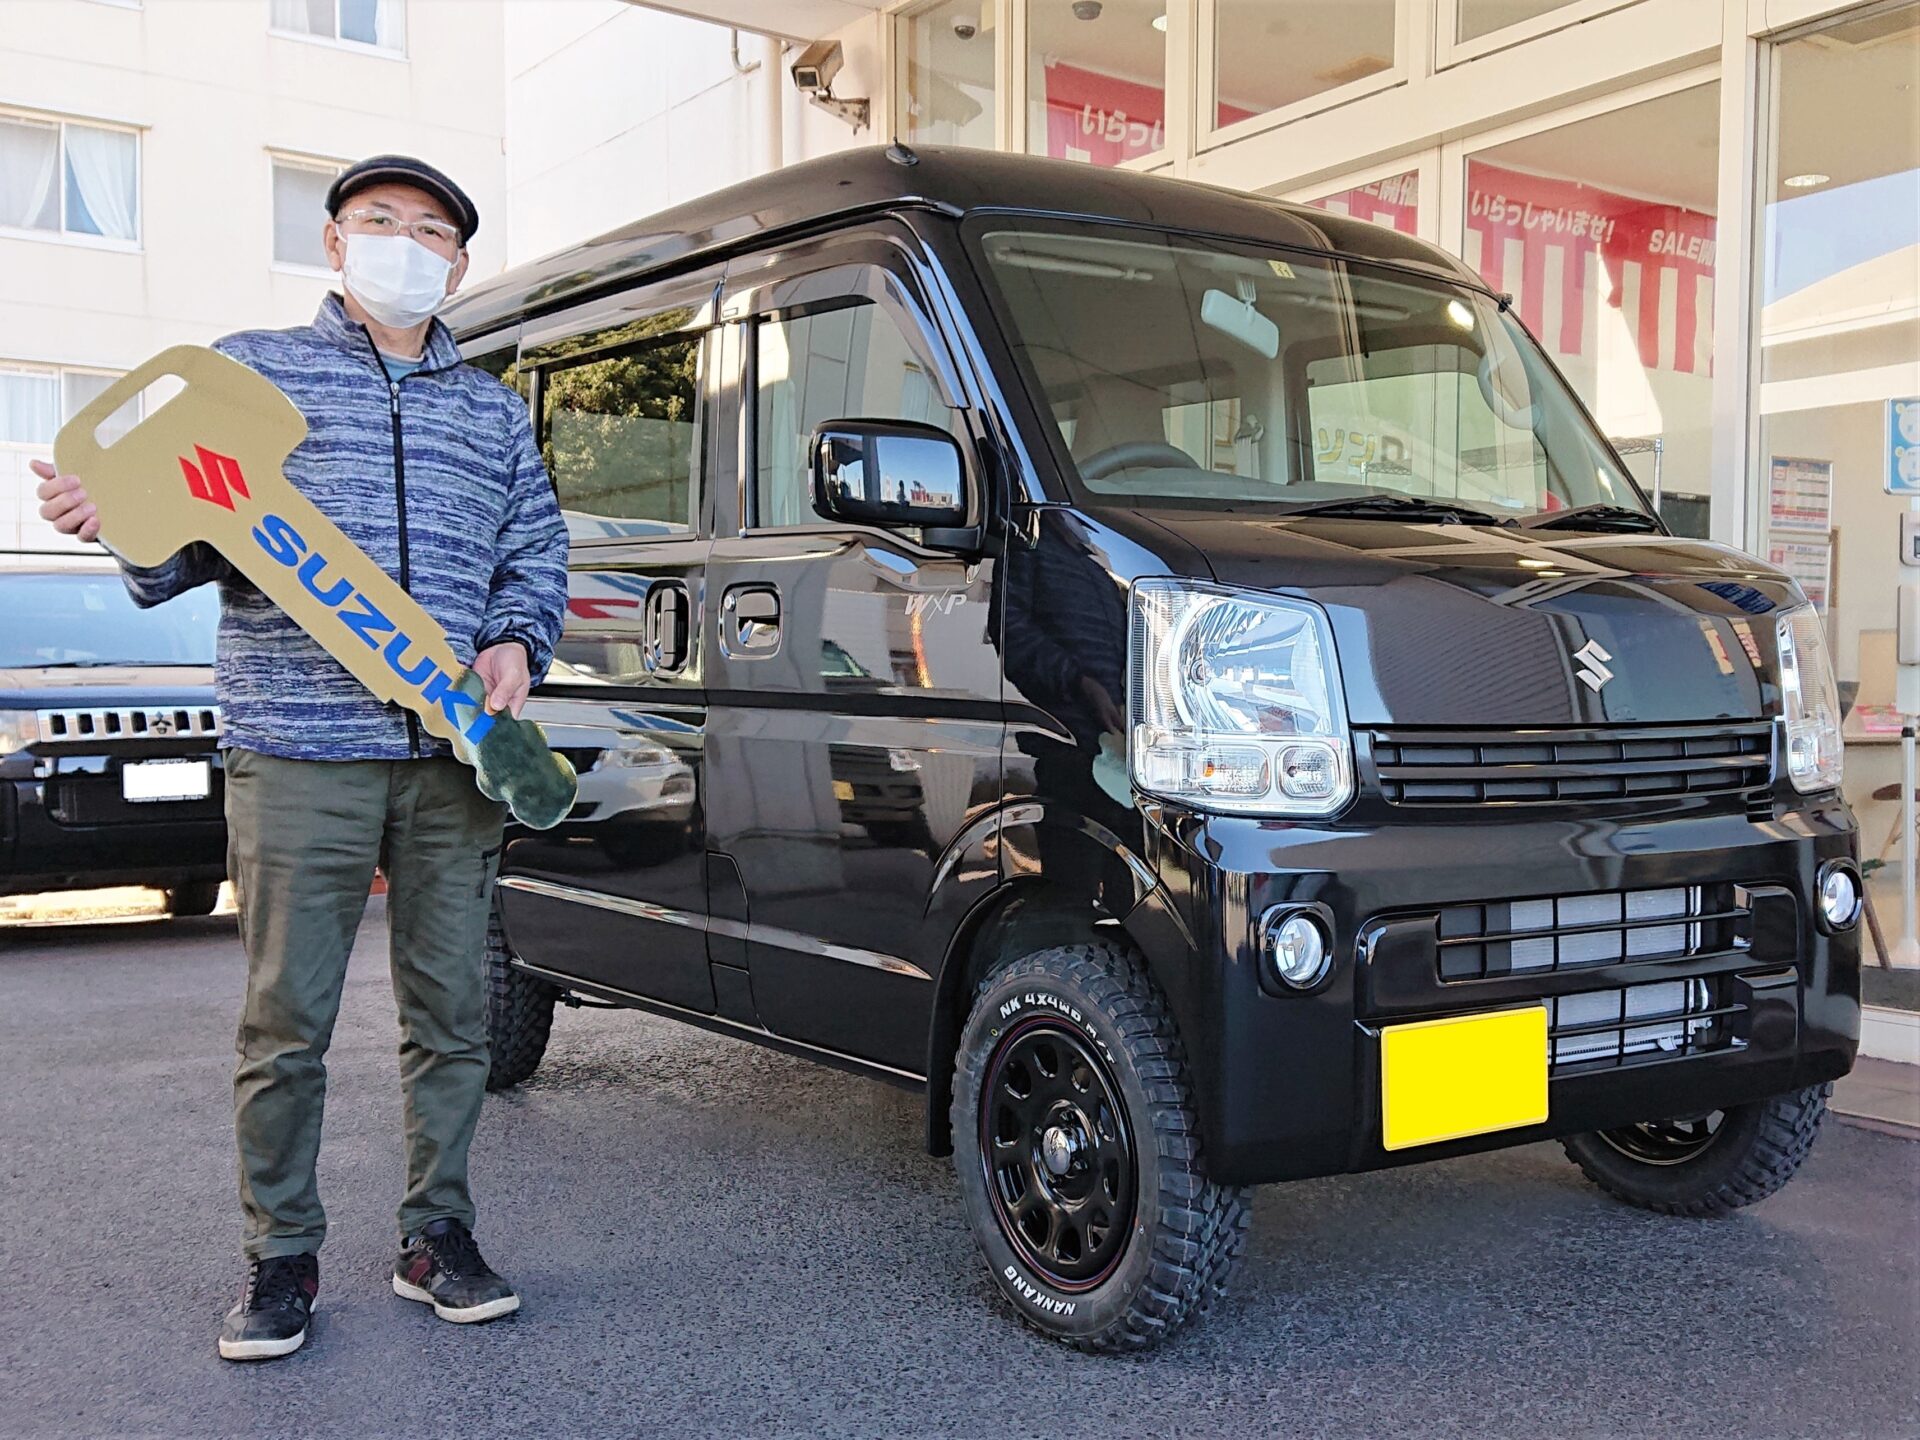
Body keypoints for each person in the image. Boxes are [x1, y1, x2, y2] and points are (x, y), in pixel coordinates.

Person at [34, 155, 568, 1363]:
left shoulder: (489, 410)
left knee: (454, 1014)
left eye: (430, 232)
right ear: (334, 242)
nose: (404, 245)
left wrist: (515, 639)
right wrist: (114, 522)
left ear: (458, 265)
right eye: (379, 221)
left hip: (451, 754)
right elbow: (177, 556)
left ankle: (437, 1236)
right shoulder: (249, 375)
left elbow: (534, 547)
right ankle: (280, 1257)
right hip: (296, 748)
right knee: (287, 1022)